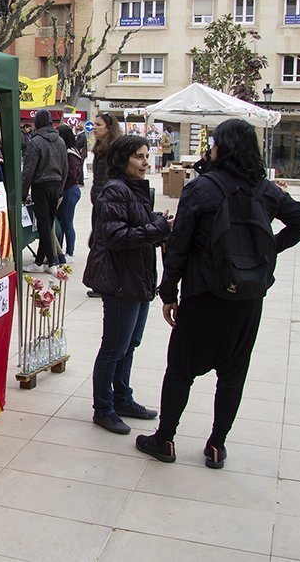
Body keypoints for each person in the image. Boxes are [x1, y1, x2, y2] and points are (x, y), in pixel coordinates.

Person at [136, 119, 300, 466]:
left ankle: (165, 439)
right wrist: (264, 252)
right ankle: (216, 446)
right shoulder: (265, 189)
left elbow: (180, 244)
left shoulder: (202, 188)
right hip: (248, 297)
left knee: (180, 369)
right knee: (233, 374)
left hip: (203, 292)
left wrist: (169, 292)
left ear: (222, 147)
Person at [83, 135, 172, 434]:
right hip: (120, 280)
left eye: (147, 156)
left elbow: (138, 227)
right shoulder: (115, 190)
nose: (145, 162)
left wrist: (159, 225)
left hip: (138, 277)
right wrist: (156, 228)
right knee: (114, 347)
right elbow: (116, 236)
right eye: (139, 157)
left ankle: (122, 398)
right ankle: (103, 408)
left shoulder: (136, 188)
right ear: (123, 159)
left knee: (130, 343)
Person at [22, 110, 68, 273]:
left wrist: (23, 193)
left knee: (43, 224)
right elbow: (65, 168)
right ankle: (40, 261)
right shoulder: (61, 141)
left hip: (41, 187)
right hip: (56, 186)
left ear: (37, 123)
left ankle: (52, 262)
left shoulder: (35, 142)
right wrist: (61, 188)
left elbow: (28, 171)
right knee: (47, 223)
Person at [86, 113, 123, 297]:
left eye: (98, 125)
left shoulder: (113, 149)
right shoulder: (101, 148)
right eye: (94, 124)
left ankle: (102, 284)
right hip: (99, 200)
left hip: (107, 201)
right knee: (97, 240)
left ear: (109, 128)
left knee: (101, 241)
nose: (94, 128)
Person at [55, 125, 83, 264]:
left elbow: (71, 174)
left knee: (67, 222)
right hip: (67, 190)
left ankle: (70, 253)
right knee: (61, 222)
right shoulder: (69, 151)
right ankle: (59, 251)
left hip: (70, 190)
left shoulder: (70, 154)